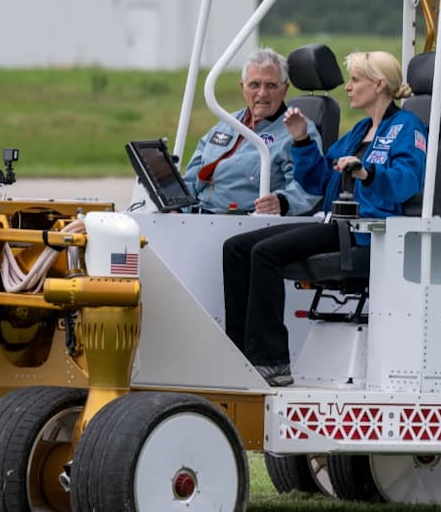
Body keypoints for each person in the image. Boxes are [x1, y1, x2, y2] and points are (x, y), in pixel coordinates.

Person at [222, 51, 428, 386]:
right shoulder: (360, 130)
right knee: (236, 248)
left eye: (356, 80)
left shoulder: (407, 127)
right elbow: (318, 181)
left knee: (265, 254)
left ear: (378, 85)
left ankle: (272, 361)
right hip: (336, 222)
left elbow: (406, 181)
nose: (348, 88)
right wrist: (301, 138)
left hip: (366, 231)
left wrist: (366, 172)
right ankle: (238, 352)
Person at [183, 48, 322, 215]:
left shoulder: (299, 130)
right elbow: (191, 175)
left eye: (271, 85)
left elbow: (309, 187)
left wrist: (282, 203)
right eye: (255, 85)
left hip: (242, 220)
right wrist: (177, 206)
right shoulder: (227, 122)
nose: (262, 93)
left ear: (285, 89)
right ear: (243, 87)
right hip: (196, 215)